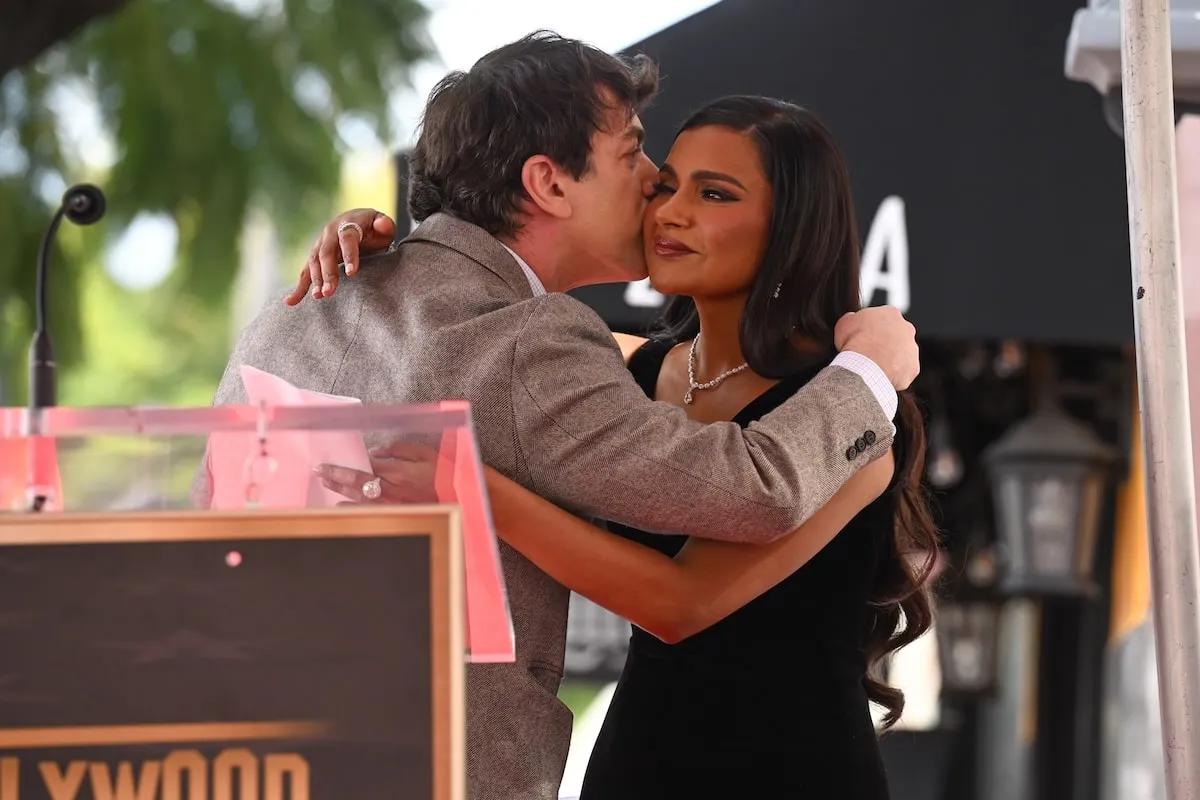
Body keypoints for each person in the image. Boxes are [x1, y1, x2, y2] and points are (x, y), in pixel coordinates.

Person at [207, 32, 919, 800]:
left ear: (791, 227)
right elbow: (736, 501)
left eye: (711, 193)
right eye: (643, 160)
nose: (657, 194)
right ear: (547, 183)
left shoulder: (289, 316)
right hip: (562, 762)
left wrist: (383, 253)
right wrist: (871, 369)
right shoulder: (575, 354)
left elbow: (684, 595)